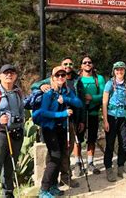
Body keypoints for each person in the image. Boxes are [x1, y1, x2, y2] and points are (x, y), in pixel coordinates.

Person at [30, 58, 82, 188]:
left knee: (60, 155)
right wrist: (62, 114)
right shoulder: (48, 92)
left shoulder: (67, 90)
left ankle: (54, 185)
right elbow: (43, 112)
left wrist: (65, 98)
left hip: (62, 128)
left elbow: (79, 103)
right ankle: (46, 187)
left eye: (62, 75)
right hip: (50, 128)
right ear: (52, 77)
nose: (60, 77)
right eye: (57, 75)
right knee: (54, 157)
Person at [0, 64, 24, 198]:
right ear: (0, 76)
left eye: (12, 72)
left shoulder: (18, 92)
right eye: (5, 73)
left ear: (15, 76)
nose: (9, 75)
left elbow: (21, 112)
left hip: (16, 135)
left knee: (10, 169)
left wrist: (21, 125)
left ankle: (8, 195)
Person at [102, 61, 126, 182]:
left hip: (124, 117)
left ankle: (120, 168)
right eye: (117, 70)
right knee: (110, 143)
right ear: (114, 71)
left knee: (124, 143)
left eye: (121, 69)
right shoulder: (109, 84)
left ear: (125, 71)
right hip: (111, 116)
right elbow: (104, 102)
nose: (119, 71)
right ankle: (108, 168)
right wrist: (105, 120)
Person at [74, 56, 105, 175]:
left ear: (92, 65)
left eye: (89, 62)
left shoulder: (99, 78)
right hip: (79, 113)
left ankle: (90, 163)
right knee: (78, 138)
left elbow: (103, 95)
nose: (87, 64)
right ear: (81, 66)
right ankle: (77, 163)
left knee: (91, 139)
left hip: (93, 112)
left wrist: (92, 98)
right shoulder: (77, 79)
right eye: (84, 62)